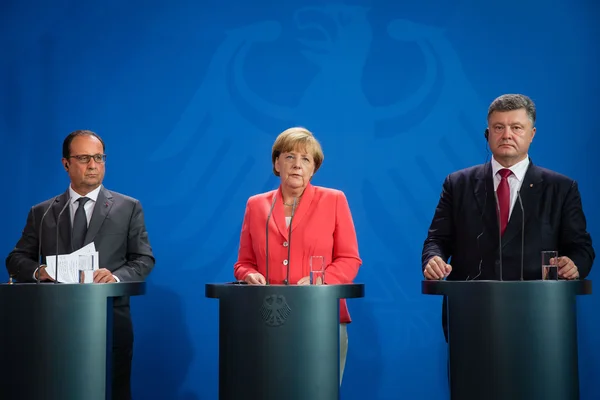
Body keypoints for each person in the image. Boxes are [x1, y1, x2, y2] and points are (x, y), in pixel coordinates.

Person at [421, 93, 595, 340]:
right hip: (471, 317)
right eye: (499, 127)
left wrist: (574, 265)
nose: (507, 135)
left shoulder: (561, 188)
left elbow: (582, 249)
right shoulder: (458, 184)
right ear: (487, 133)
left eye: (516, 127)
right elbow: (436, 240)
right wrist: (433, 259)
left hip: (541, 319)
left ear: (532, 134)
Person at [5, 129, 155, 400]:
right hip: (54, 323)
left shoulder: (128, 207)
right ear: (66, 164)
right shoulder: (44, 212)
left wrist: (116, 277)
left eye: (99, 158)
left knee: (112, 391)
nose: (93, 165)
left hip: (109, 320)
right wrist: (39, 271)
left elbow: (144, 259)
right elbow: (15, 259)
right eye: (84, 158)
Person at [233, 126, 362, 383]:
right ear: (277, 162)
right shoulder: (256, 205)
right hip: (268, 318)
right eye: (290, 157)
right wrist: (249, 274)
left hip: (321, 316)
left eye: (306, 159)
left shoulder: (334, 200)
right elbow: (243, 263)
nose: (297, 165)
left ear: (314, 168)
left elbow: (349, 259)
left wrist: (323, 280)